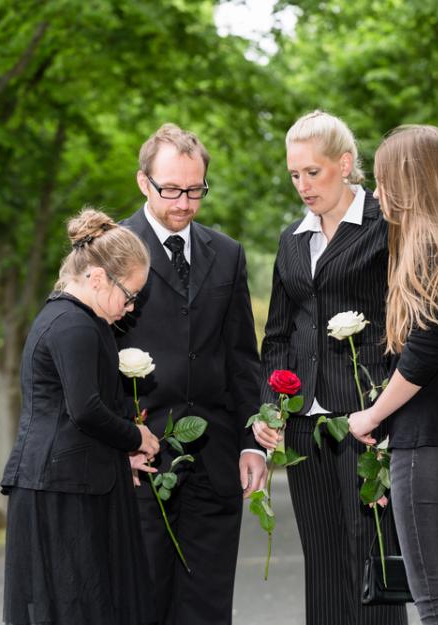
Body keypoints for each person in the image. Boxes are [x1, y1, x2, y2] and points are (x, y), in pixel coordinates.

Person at [255, 110, 407, 625]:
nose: (302, 185)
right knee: (321, 562)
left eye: (312, 173)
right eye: (294, 174)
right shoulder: (291, 240)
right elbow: (277, 336)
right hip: (304, 428)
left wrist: (387, 413)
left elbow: (405, 327)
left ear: (344, 164)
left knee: (371, 560)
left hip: (366, 422)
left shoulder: (387, 229)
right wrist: (270, 411)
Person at [115, 123, 267, 625]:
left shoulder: (227, 254)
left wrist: (252, 442)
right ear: (144, 183)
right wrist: (119, 442)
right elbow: (92, 357)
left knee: (207, 606)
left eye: (195, 189)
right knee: (143, 601)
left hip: (217, 459)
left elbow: (243, 356)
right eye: (172, 190)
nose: (184, 202)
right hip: (141, 459)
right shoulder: (107, 252)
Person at [348, 124, 438, 625]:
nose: (375, 192)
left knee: (437, 608)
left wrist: (371, 416)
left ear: (408, 183)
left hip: (431, 449)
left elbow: (423, 356)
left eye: (384, 180)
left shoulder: (429, 251)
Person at [0, 208, 161, 625]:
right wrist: (135, 438)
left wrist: (120, 454)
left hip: (68, 481)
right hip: (59, 489)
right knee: (72, 606)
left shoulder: (78, 320)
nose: (130, 308)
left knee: (87, 604)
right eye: (129, 295)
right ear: (96, 278)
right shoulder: (72, 324)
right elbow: (85, 410)